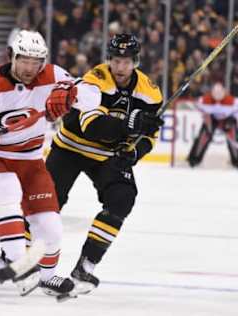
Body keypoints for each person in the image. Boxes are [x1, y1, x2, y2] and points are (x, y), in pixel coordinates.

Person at [45, 33, 164, 294]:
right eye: (116, 60)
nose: (120, 66)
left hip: (106, 156)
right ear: (108, 59)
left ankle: (86, 265)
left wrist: (135, 153)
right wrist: (130, 124)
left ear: (136, 61)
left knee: (122, 198)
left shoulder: (151, 93)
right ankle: (19, 256)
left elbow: (150, 136)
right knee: (46, 201)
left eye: (126, 61)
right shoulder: (95, 80)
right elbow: (93, 127)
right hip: (71, 147)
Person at [0, 29, 77, 297]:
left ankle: (48, 278)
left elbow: (87, 93)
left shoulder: (53, 75)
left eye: (36, 62)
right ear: (11, 56)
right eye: (24, 60)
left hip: (30, 161)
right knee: (7, 186)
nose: (30, 68)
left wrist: (68, 94)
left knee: (51, 228)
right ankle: (19, 265)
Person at [187, 81, 238, 167]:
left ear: (224, 92)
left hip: (227, 119)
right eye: (215, 94)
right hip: (212, 119)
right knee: (204, 136)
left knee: (233, 136)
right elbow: (195, 104)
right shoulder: (204, 100)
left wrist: (233, 120)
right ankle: (194, 158)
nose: (218, 97)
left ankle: (236, 160)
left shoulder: (233, 101)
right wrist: (205, 115)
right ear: (212, 93)